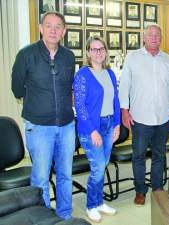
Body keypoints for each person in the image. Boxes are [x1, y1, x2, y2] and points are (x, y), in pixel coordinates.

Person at [11, 11, 75, 220]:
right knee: (40, 178)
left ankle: (64, 216)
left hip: (66, 125)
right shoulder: (26, 54)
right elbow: (17, 90)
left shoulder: (68, 56)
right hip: (39, 127)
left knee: (65, 175)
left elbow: (68, 88)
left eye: (58, 26)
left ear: (64, 31)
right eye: (49, 25)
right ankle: (45, 218)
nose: (53, 30)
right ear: (40, 28)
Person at [119, 24, 169, 206]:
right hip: (139, 117)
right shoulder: (133, 58)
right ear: (144, 38)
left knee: (159, 155)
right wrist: (124, 110)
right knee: (138, 156)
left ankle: (157, 188)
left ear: (161, 38)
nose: (154, 38)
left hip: (162, 117)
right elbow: (124, 86)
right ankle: (140, 190)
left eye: (158, 35)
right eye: (150, 35)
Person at [73, 36, 120, 223]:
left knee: (102, 165)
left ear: (106, 51)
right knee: (98, 166)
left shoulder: (110, 73)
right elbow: (80, 105)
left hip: (109, 124)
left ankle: (99, 202)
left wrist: (117, 124)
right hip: (91, 128)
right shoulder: (82, 75)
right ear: (88, 52)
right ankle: (91, 205)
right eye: (94, 49)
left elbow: (115, 100)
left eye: (101, 49)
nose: (98, 52)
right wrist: (92, 130)